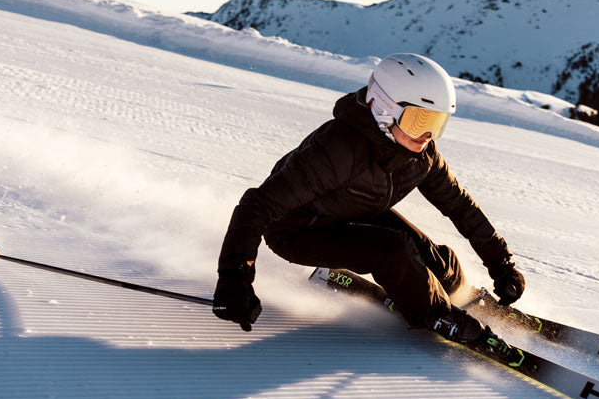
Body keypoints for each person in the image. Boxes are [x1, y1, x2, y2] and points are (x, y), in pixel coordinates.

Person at [211, 53, 526, 355]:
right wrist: (233, 280)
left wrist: (501, 263)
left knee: (427, 252)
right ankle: (438, 315)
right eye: (419, 120)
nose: (427, 135)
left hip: (351, 212)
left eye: (437, 123)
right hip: (296, 230)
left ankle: (458, 291)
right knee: (393, 249)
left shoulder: (422, 156)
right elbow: (257, 205)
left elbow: (460, 206)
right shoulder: (338, 149)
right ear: (384, 109)